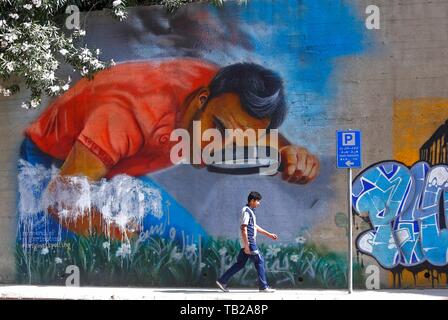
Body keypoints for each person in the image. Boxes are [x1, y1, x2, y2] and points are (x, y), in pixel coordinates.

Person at [21, 58, 320, 240]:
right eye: (218, 130)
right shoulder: (127, 115)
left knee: (192, 244)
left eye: (239, 143)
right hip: (52, 163)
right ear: (202, 99)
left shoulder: (225, 89)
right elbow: (61, 199)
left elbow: (249, 125)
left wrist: (289, 151)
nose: (219, 149)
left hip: (116, 167)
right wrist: (122, 237)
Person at [216, 191, 278, 293]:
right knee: (260, 261)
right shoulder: (246, 211)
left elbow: (254, 226)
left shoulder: (250, 211)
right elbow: (243, 228)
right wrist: (247, 246)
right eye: (258, 201)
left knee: (240, 264)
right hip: (249, 242)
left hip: (247, 243)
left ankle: (222, 281)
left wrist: (269, 234)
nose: (259, 203)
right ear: (252, 201)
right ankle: (263, 287)